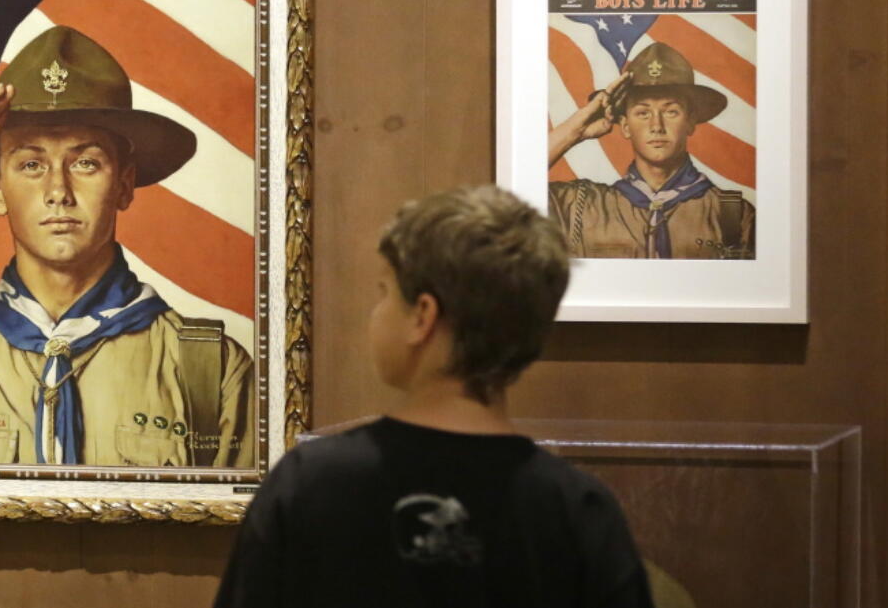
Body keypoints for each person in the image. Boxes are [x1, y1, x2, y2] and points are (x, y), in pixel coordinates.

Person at [214, 185, 653, 607]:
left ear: (422, 316)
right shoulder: (577, 509)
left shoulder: (310, 484)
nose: (376, 312)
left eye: (384, 293)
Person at [0, 25, 254, 467]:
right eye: (31, 164)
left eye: (86, 163)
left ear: (125, 185)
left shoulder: (208, 368)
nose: (58, 190)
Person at [548, 41, 755, 259]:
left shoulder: (733, 215)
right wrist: (574, 130)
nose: (656, 126)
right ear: (625, 126)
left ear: (691, 122)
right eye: (643, 113)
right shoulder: (581, 206)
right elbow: (519, 187)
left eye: (671, 112)